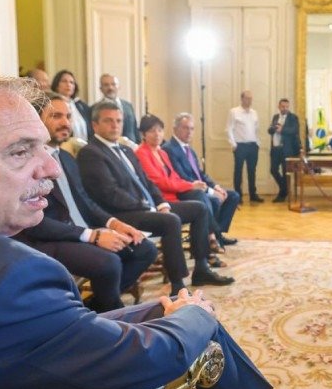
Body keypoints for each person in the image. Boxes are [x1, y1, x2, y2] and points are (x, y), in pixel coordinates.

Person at [0, 65, 271, 389]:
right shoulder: (13, 276)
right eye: (20, 151)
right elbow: (146, 359)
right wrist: (194, 315)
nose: (51, 168)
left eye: (42, 146)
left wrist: (158, 312)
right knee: (200, 322)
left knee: (164, 306)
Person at [15, 92, 157, 312]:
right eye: (56, 116)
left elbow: (86, 202)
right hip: (48, 239)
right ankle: (113, 316)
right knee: (108, 263)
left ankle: (95, 308)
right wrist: (93, 236)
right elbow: (35, 223)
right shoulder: (26, 162)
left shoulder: (67, 158)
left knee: (144, 249)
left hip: (81, 230)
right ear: (36, 119)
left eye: (68, 116)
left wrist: (114, 224)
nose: (65, 122)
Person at [76, 103, 234, 293]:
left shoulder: (126, 150)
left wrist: (161, 203)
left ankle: (201, 268)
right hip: (122, 214)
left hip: (145, 207)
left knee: (198, 208)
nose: (115, 125)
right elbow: (109, 193)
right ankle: (178, 286)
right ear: (95, 125)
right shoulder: (91, 153)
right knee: (170, 221)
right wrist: (146, 206)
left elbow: (148, 182)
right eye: (108, 121)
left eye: (118, 121)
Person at [134, 113, 228, 266]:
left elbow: (174, 177)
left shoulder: (161, 152)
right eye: (152, 131)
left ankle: (206, 256)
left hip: (173, 196)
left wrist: (192, 185)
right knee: (200, 206)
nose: (157, 134)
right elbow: (159, 182)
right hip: (160, 202)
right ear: (143, 134)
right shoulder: (141, 153)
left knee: (201, 204)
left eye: (159, 130)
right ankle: (208, 251)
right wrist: (191, 185)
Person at [164, 113, 239, 246]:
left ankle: (217, 233)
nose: (189, 132)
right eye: (185, 128)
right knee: (214, 200)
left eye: (192, 129)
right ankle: (212, 237)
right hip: (186, 191)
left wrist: (215, 186)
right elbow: (182, 177)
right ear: (175, 129)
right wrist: (210, 192)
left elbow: (200, 174)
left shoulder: (189, 150)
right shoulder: (170, 149)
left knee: (232, 196)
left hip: (200, 188)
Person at [226, 90, 263, 203]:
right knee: (238, 171)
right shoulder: (234, 112)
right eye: (247, 98)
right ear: (242, 99)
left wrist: (258, 143)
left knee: (252, 171)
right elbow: (229, 129)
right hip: (240, 146)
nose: (249, 101)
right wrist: (233, 144)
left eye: (251, 98)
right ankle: (238, 196)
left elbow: (257, 129)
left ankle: (253, 194)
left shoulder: (254, 112)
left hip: (253, 145)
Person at [267, 98, 301, 202]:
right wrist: (273, 129)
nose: (285, 108)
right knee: (273, 170)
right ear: (279, 106)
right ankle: (285, 190)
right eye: (283, 106)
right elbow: (270, 130)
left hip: (287, 149)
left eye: (287, 106)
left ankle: (282, 195)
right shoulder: (275, 117)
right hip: (275, 149)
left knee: (285, 172)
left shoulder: (293, 117)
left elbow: (294, 130)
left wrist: (282, 130)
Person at [94, 73, 140, 144]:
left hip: (131, 148)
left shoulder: (128, 106)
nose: (110, 88)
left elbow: (135, 129)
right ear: (101, 89)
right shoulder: (94, 108)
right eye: (106, 85)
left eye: (113, 84)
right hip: (108, 149)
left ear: (118, 87)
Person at [51, 69, 92, 142]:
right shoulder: (51, 104)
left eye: (71, 82)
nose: (68, 84)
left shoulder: (81, 105)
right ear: (57, 85)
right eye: (64, 81)